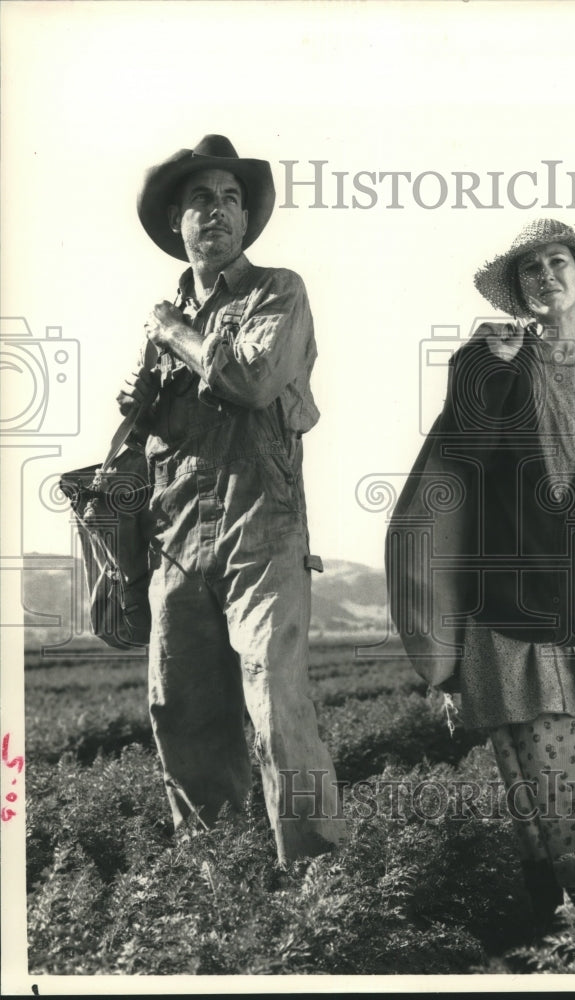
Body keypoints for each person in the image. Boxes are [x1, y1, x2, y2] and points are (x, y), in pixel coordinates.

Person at [387, 218, 575, 932]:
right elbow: (463, 463)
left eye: (557, 262)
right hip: (511, 613)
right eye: (529, 271)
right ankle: (568, 935)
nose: (545, 276)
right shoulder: (490, 364)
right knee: (549, 807)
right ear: (517, 294)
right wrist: (489, 367)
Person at [117, 134, 345, 865]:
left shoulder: (278, 291)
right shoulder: (168, 316)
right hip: (175, 538)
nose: (215, 213)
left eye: (229, 200)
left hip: (262, 529)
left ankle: (319, 887)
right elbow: (145, 429)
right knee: (181, 710)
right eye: (199, 201)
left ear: (245, 221)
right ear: (176, 225)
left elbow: (249, 381)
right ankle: (216, 885)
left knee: (278, 705)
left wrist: (173, 334)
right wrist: (139, 401)